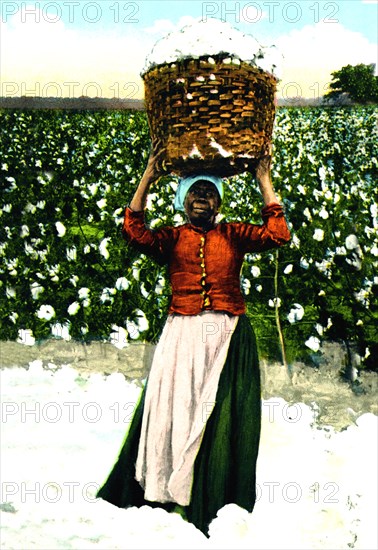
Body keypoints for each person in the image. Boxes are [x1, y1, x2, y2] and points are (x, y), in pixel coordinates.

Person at [96, 139, 291, 537]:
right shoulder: (172, 238)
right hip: (183, 335)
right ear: (184, 201)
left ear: (218, 203)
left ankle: (212, 492)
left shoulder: (233, 234)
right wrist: (148, 176)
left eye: (209, 193)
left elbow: (278, 234)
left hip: (225, 333)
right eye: (194, 193)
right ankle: (170, 491)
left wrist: (264, 180)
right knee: (177, 410)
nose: (201, 200)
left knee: (215, 415)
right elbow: (133, 231)